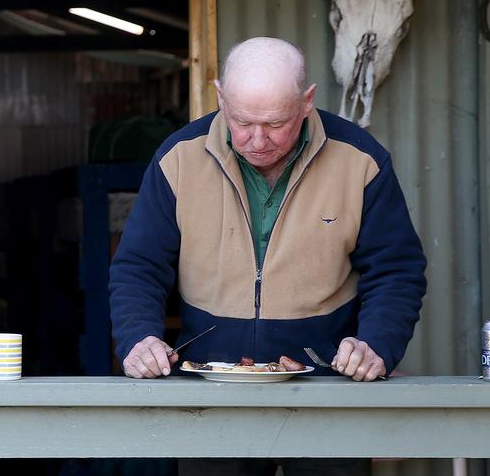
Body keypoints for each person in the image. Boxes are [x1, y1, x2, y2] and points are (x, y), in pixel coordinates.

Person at [109, 37, 426, 476]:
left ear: (307, 102)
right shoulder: (177, 158)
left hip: (327, 390)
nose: (257, 140)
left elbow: (397, 271)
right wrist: (138, 337)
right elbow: (138, 268)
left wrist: (377, 346)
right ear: (221, 97)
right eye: (241, 122)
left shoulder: (360, 159)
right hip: (210, 391)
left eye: (276, 124)